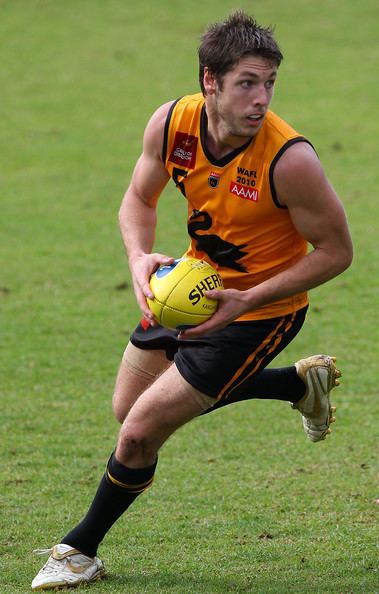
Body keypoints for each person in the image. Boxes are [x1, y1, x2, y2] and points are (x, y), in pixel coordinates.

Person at [31, 10, 353, 590]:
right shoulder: (173, 124)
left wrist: (248, 297)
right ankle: (296, 386)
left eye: (269, 83)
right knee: (128, 409)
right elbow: (138, 198)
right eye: (246, 83)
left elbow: (335, 252)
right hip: (192, 289)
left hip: (262, 311)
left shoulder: (291, 160)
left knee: (139, 432)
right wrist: (137, 257)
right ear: (211, 81)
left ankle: (79, 549)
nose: (261, 98)